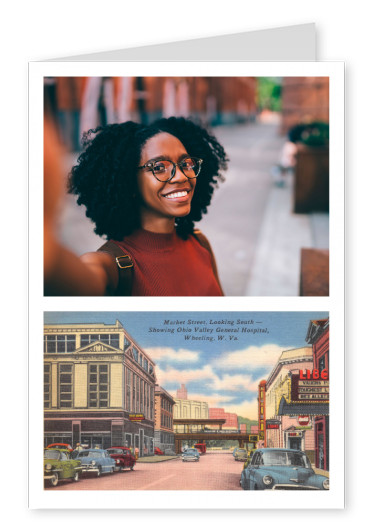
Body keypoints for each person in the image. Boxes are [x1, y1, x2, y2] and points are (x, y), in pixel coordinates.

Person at [46, 116, 228, 296]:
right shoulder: (111, 266)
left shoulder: (200, 243)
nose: (181, 176)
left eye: (186, 163)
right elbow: (71, 279)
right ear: (129, 181)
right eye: (159, 167)